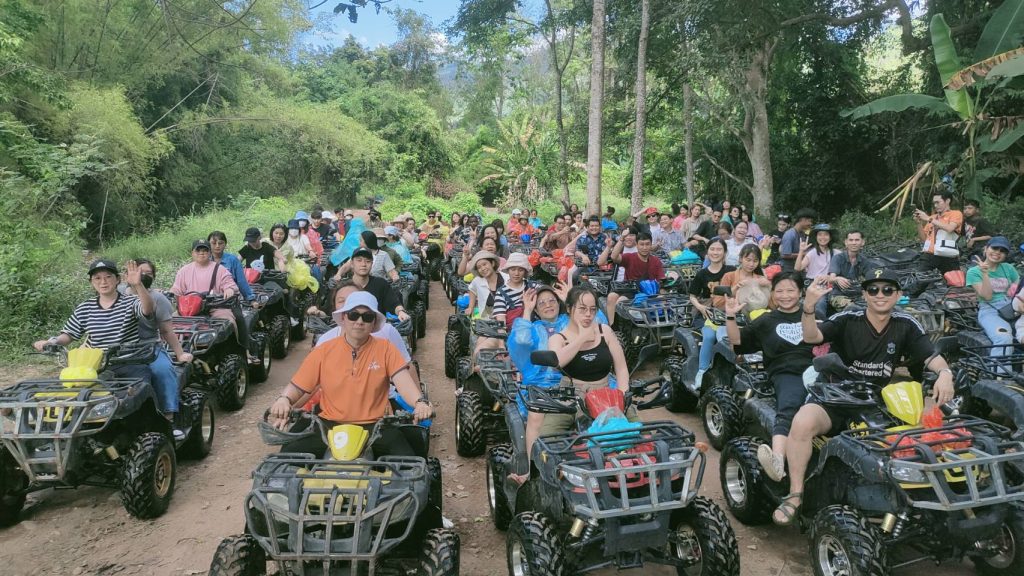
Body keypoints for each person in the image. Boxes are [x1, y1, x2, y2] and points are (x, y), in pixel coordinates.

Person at [785, 269, 956, 526]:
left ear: (897, 295)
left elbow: (930, 355)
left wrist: (944, 373)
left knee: (915, 438)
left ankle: (916, 502)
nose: (880, 295)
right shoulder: (848, 318)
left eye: (887, 290)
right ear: (864, 294)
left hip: (875, 400)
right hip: (835, 394)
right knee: (802, 423)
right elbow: (812, 337)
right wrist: (808, 307)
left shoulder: (906, 324)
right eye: (873, 290)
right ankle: (795, 494)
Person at [267, 292, 432, 458]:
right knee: (285, 461)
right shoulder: (324, 350)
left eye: (367, 317)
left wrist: (419, 402)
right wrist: (284, 400)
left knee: (410, 467)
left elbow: (403, 382)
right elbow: (299, 385)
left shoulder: (386, 349)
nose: (359, 321)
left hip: (376, 426)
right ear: (344, 318)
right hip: (328, 424)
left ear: (374, 322)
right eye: (354, 315)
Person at [724, 272, 814, 482]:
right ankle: (778, 460)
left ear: (800, 292)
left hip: (818, 369)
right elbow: (737, 341)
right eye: (779, 291)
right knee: (790, 405)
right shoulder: (766, 320)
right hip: (787, 371)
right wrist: (730, 316)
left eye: (790, 290)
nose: (785, 295)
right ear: (772, 294)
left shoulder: (811, 314)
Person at [33, 258, 155, 382]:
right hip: (96, 366)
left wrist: (138, 285)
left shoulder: (131, 302)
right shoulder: (85, 307)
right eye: (97, 278)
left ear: (117, 279)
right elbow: (69, 334)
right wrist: (52, 342)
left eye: (108, 277)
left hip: (129, 363)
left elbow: (148, 309)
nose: (103, 282)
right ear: (91, 282)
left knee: (140, 391)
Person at [507, 285, 569, 484]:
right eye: (541, 303)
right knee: (536, 414)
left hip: (572, 381)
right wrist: (526, 309)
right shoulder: (533, 329)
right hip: (539, 384)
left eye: (552, 300)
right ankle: (533, 470)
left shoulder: (570, 322)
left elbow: (598, 324)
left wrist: (571, 301)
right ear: (535, 309)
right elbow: (521, 341)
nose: (548, 305)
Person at [125, 259, 193, 439]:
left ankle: (170, 418)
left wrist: (179, 353)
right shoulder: (118, 295)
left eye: (148, 273)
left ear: (153, 277)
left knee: (163, 371)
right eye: (140, 272)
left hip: (149, 347)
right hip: (119, 351)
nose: (143, 276)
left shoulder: (158, 299)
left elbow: (166, 330)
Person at [548, 286, 630, 423]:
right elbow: (556, 363)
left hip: (605, 394)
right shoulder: (558, 339)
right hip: (570, 397)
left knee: (637, 431)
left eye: (593, 309)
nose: (588, 314)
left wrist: (623, 395)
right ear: (569, 309)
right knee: (548, 435)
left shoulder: (605, 331)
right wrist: (581, 338)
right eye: (582, 309)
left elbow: (621, 368)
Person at [968, 236, 1018, 357]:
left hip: (1012, 307)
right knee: (1003, 339)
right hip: (989, 309)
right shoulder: (973, 272)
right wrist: (985, 274)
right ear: (986, 248)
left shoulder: (1009, 268)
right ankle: (1000, 374)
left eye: (1002, 251)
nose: (997, 252)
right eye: (995, 248)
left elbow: (1018, 289)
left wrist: (1015, 288)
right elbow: (987, 296)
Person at [601, 231, 665, 325]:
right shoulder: (630, 257)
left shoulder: (656, 261)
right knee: (618, 301)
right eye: (641, 244)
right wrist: (622, 238)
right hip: (632, 290)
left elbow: (662, 281)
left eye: (647, 244)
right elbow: (614, 256)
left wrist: (663, 295)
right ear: (637, 245)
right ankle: (614, 327)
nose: (644, 247)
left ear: (651, 245)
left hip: (651, 292)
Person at [332, 249, 411, 321]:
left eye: (368, 261)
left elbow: (394, 304)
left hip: (377, 329)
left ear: (372, 264)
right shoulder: (344, 287)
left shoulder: (380, 284)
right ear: (352, 264)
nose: (363, 264)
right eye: (359, 260)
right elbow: (331, 311)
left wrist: (401, 312)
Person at [814, 230, 872, 319]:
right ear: (846, 242)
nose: (854, 243)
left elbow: (870, 280)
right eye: (851, 240)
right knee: (852, 309)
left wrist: (867, 292)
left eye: (857, 240)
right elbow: (831, 278)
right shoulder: (838, 258)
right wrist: (837, 279)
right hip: (838, 295)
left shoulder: (865, 261)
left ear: (862, 242)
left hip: (859, 295)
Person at [689, 238, 735, 331]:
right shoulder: (701, 274)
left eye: (719, 249)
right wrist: (700, 307)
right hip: (708, 312)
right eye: (712, 249)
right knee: (709, 334)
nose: (715, 252)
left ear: (725, 252)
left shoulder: (732, 270)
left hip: (729, 311)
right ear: (707, 252)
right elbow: (692, 296)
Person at [913, 189, 963, 274]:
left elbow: (950, 228)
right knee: (919, 280)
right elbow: (924, 239)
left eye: (938, 202)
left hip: (948, 254)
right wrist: (919, 223)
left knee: (955, 283)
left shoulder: (955, 214)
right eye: (934, 203)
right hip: (929, 254)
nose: (935, 205)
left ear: (947, 201)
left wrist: (929, 219)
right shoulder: (933, 217)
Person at [208, 231, 254, 302]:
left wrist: (250, 298)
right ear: (208, 244)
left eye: (220, 243)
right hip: (208, 297)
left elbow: (241, 281)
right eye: (214, 243)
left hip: (229, 298)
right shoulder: (204, 260)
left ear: (225, 244)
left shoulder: (233, 260)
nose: (217, 246)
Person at [493, 252, 531, 325]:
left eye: (520, 270)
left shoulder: (531, 286)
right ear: (508, 270)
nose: (516, 273)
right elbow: (501, 319)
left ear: (525, 272)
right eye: (513, 269)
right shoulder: (501, 293)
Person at [780, 208, 815, 273]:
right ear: (803, 220)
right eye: (810, 221)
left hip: (799, 269)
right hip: (789, 271)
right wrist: (805, 254)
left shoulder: (802, 233)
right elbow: (784, 255)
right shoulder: (790, 234)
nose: (810, 224)